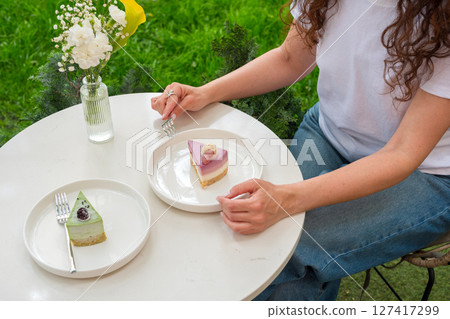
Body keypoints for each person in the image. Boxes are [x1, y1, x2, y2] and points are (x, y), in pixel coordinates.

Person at [151, 0, 450, 300]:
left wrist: (286, 200)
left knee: (284, 247)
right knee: (252, 239)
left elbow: (402, 154)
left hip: (426, 173)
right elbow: (289, 59)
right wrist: (205, 93)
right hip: (329, 133)